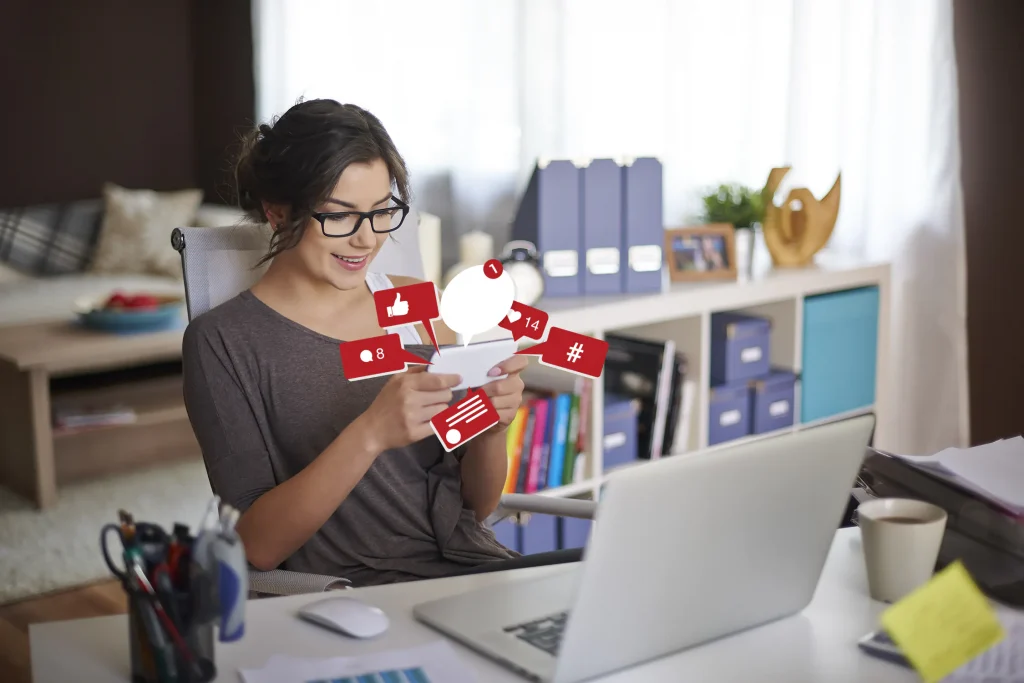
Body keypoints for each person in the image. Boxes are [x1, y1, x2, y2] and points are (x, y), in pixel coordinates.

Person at [182, 99, 574, 586]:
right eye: (340, 216)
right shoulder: (224, 341)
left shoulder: (412, 302)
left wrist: (492, 427)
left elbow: (477, 506)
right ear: (277, 212)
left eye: (381, 212)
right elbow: (257, 546)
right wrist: (370, 433)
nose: (367, 240)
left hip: (472, 570)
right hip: (357, 596)